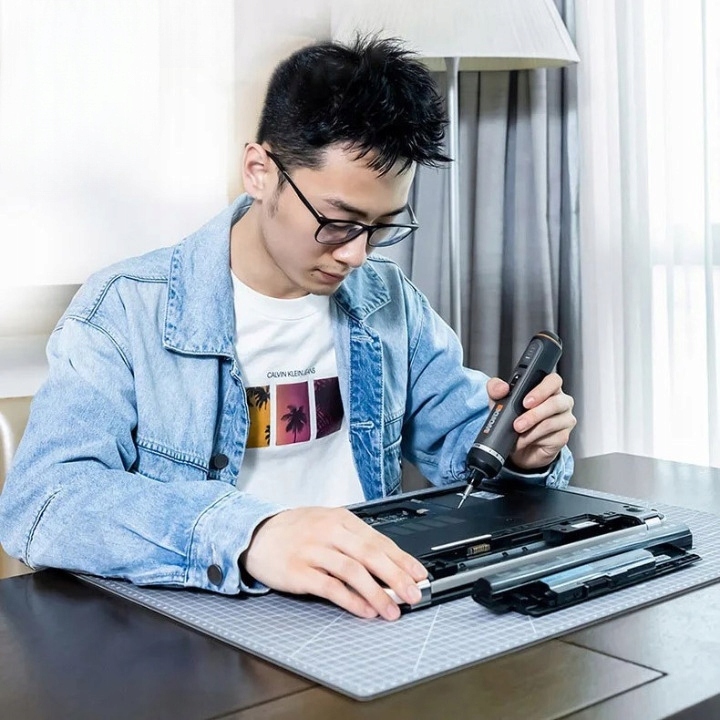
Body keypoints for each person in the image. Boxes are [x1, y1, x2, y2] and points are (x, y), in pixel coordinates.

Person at [0, 36, 576, 622]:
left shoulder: (388, 300)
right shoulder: (126, 309)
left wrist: (525, 452)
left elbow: (463, 447)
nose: (356, 255)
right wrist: (252, 534)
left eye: (381, 227)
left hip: (373, 612)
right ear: (259, 171)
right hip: (204, 624)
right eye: (338, 221)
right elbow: (44, 501)